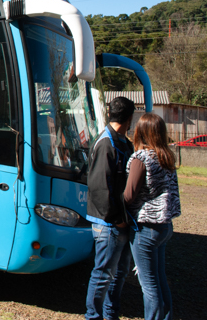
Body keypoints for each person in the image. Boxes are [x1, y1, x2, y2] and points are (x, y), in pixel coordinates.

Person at [125, 113, 181, 320]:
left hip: (146, 228)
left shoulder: (141, 158)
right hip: (164, 226)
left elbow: (129, 195)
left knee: (148, 284)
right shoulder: (166, 157)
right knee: (159, 277)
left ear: (140, 132)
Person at [84, 96, 136, 320]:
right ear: (129, 118)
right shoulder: (106, 143)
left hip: (120, 221)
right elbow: (99, 188)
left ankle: (111, 314)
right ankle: (93, 316)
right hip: (109, 223)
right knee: (103, 275)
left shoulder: (123, 141)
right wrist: (117, 220)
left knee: (119, 274)